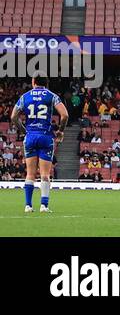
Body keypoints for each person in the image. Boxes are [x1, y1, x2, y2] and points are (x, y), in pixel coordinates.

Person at [11, 76, 69, 214]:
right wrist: (60, 131)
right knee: (45, 174)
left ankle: (28, 206)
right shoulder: (52, 96)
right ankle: (44, 206)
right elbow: (65, 115)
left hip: (31, 136)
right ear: (46, 83)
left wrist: (25, 131)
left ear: (33, 82)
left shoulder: (25, 96)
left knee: (30, 174)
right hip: (45, 136)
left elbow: (13, 117)